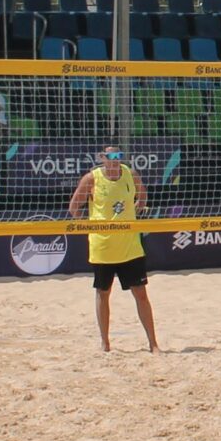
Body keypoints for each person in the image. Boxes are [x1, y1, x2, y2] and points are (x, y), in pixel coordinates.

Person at [67, 146, 156, 354]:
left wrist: (134, 212)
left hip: (129, 246)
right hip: (103, 246)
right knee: (103, 293)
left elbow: (142, 198)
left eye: (118, 156)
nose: (115, 160)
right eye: (110, 157)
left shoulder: (130, 174)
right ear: (102, 158)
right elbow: (74, 208)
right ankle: (105, 342)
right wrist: (91, 227)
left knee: (141, 294)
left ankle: (153, 344)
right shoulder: (92, 178)